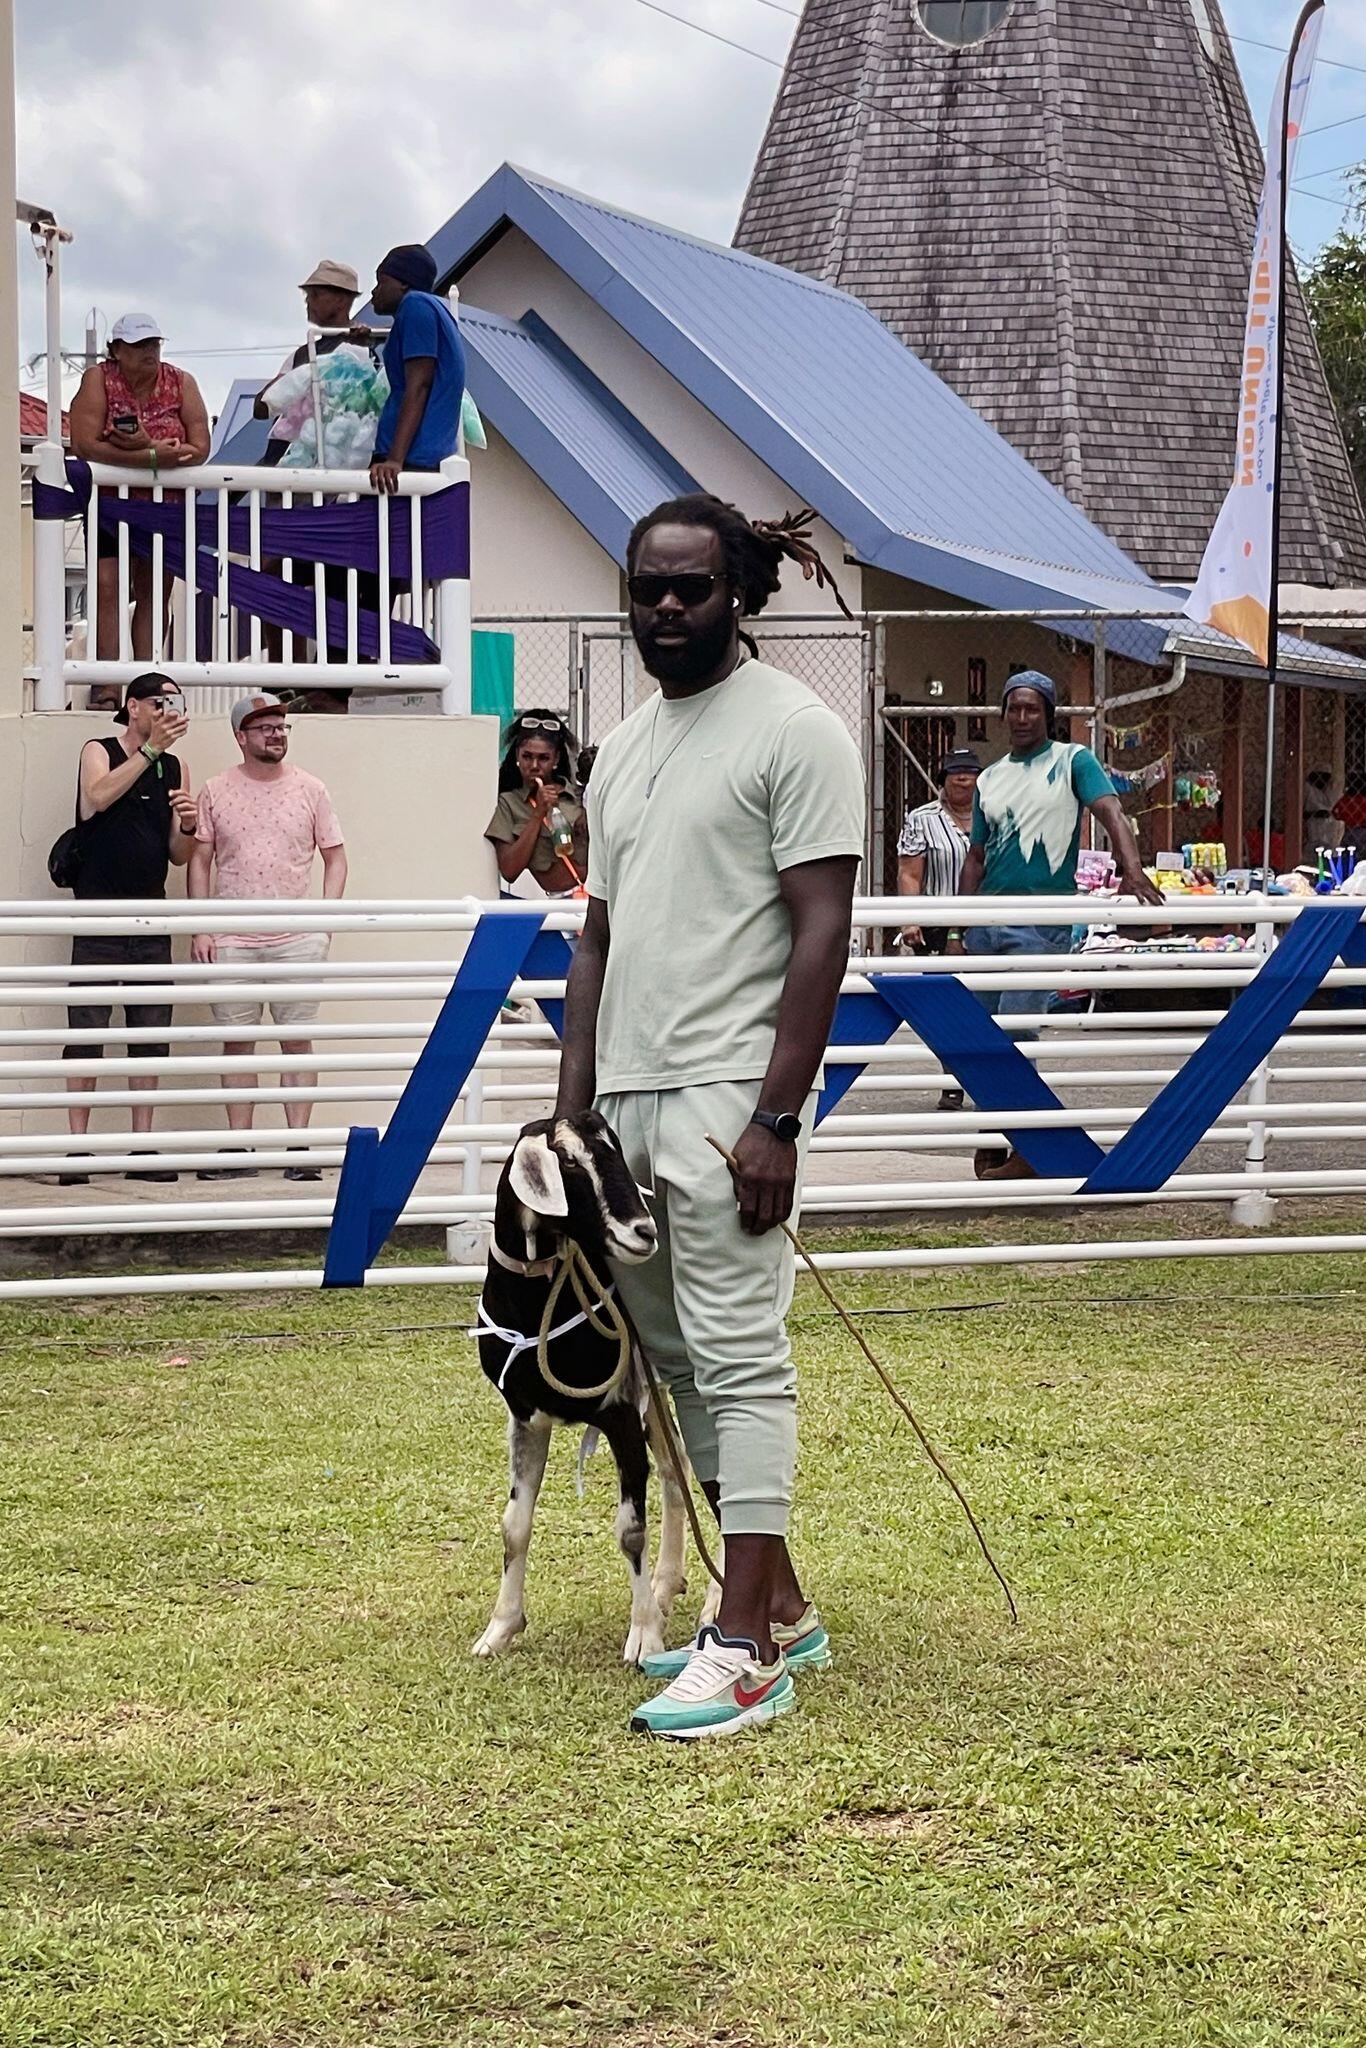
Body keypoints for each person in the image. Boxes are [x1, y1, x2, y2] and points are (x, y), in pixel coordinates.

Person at [554, 492, 865, 1739]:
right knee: (673, 1357)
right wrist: (570, 1121)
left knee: (739, 1353)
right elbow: (596, 936)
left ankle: (742, 1650)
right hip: (624, 1102)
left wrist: (775, 1117)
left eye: (692, 586)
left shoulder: (796, 730)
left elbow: (823, 930)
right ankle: (780, 1603)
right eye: (649, 588)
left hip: (732, 1093)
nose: (668, 607)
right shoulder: (620, 748)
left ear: (739, 593)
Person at [952, 669, 1162, 1178]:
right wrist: (956, 928)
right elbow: (976, 857)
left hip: (1040, 922)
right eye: (1014, 708)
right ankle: (993, 1138)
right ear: (1003, 714)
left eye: (1033, 708)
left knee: (1018, 1030)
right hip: (985, 923)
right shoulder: (990, 777)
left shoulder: (1073, 760)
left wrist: (1132, 869)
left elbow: (1111, 810)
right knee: (982, 1038)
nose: (1022, 717)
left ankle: (1030, 1147)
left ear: (1049, 714)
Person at [188, 695, 347, 1180]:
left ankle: (299, 1149)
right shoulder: (215, 790)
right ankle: (240, 1149)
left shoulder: (311, 789)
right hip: (232, 937)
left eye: (281, 727)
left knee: (297, 1042)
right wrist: (201, 925)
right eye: (264, 728)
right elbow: (200, 860)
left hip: (297, 938)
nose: (276, 734)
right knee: (238, 1044)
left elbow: (335, 856)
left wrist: (324, 920)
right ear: (241, 736)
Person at [60, 673, 199, 1186]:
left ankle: (143, 1146)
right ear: (133, 706)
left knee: (149, 1032)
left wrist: (190, 824)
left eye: (174, 703)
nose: (167, 710)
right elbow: (96, 797)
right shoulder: (98, 749)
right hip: (98, 913)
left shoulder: (176, 766)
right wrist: (149, 752)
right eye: (158, 702)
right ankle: (77, 1149)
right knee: (87, 1030)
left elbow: (179, 855)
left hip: (151, 913)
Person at [68, 315, 211, 660]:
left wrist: (149, 452)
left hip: (166, 505)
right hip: (110, 504)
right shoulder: (98, 379)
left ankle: (149, 675)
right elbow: (84, 444)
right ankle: (107, 679)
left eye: (153, 344)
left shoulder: (182, 382)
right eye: (138, 345)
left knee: (155, 590)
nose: (149, 351)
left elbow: (200, 448)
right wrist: (151, 455)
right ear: (117, 350)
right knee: (107, 586)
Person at [898, 746, 980, 1112]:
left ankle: (987, 1081)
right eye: (955, 772)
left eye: (970, 772)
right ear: (943, 778)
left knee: (984, 1006)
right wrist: (910, 918)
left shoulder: (994, 815)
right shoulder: (922, 819)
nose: (963, 778)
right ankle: (953, 1082)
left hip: (983, 922)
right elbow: (909, 873)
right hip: (936, 924)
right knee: (946, 1010)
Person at [253, 260, 373, 468]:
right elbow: (261, 407)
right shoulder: (302, 353)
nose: (308, 301)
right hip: (283, 461)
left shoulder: (358, 352)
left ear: (341, 300)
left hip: (319, 468)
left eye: (316, 295)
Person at [368, 245, 466, 492]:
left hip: (410, 460)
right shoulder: (435, 309)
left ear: (403, 283)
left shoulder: (414, 305)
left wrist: (394, 460)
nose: (374, 290)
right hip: (424, 457)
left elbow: (420, 384)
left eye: (381, 281)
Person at [484, 710, 587, 896]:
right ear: (517, 755)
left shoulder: (580, 797)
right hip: (554, 901)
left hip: (591, 895)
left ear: (556, 759)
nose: (534, 766)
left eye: (543, 758)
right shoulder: (509, 803)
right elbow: (509, 870)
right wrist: (538, 814)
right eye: (527, 756)